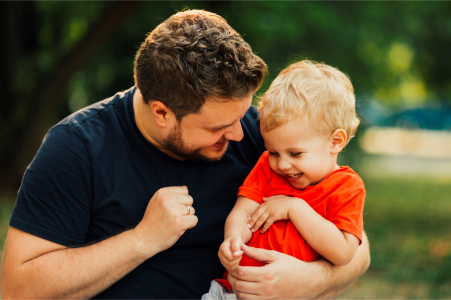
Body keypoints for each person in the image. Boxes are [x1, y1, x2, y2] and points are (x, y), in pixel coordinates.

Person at [0, 10, 370, 300]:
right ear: (162, 112)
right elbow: (18, 290)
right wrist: (142, 240)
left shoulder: (267, 140)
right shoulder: (77, 149)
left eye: (242, 116)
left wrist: (309, 281)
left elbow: (358, 248)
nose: (241, 133)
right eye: (217, 127)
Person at [203, 60, 366, 300]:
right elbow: (243, 212)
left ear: (335, 142)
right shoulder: (267, 168)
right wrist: (234, 238)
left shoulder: (347, 187)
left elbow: (343, 253)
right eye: (274, 152)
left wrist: (293, 207)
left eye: (295, 153)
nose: (282, 164)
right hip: (233, 290)